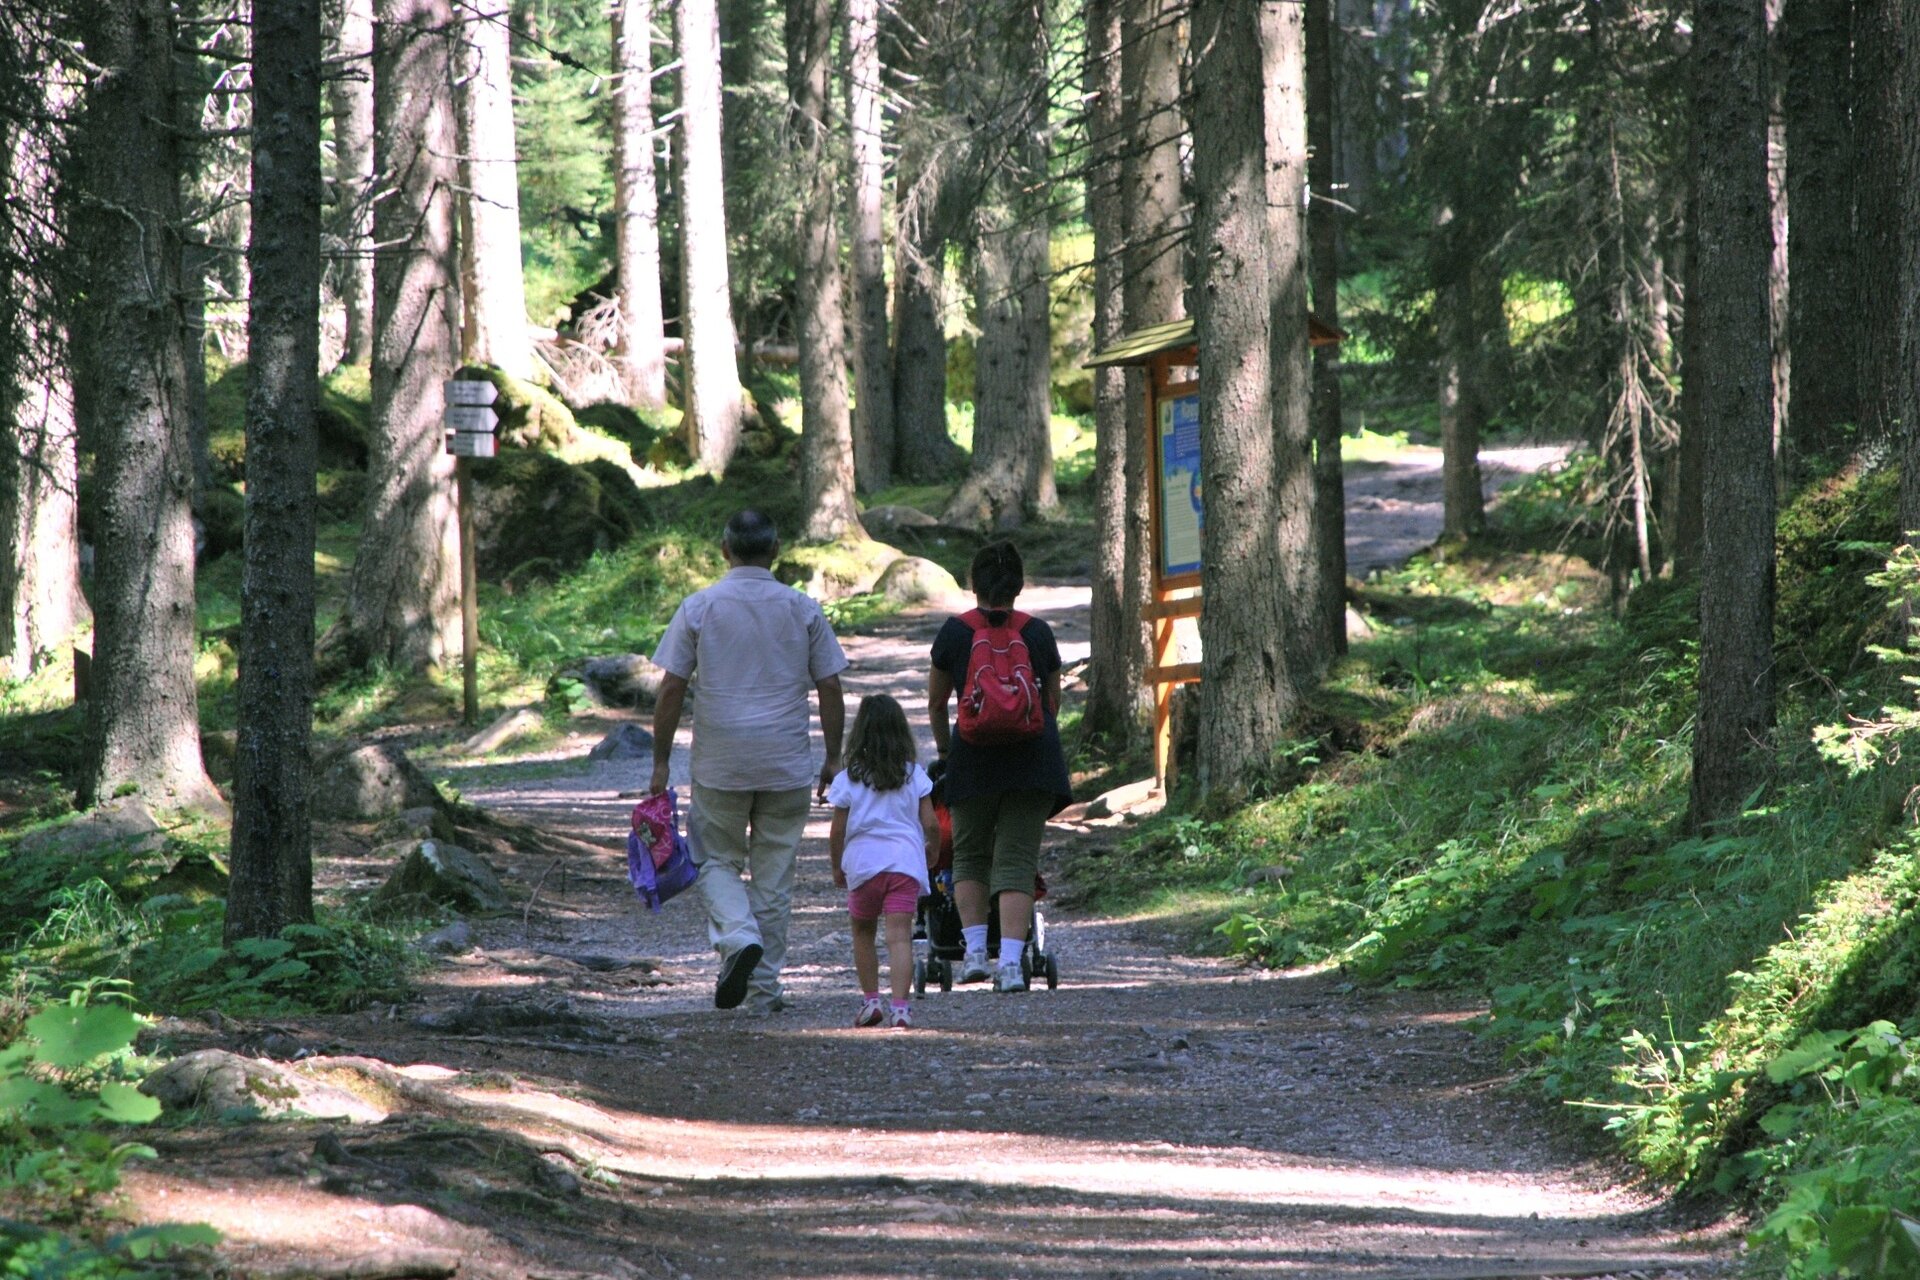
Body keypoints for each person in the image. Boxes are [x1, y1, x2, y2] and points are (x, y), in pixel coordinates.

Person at [650, 510, 847, 1012]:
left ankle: (737, 938)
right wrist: (833, 757)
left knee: (714, 858)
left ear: (724, 549)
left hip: (722, 762)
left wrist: (660, 763)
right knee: (774, 874)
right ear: (776, 549)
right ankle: (763, 990)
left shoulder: (699, 607)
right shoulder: (802, 608)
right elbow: (829, 685)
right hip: (785, 762)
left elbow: (672, 686)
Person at [926, 542, 1072, 994]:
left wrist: (948, 754)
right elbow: (1051, 702)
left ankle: (973, 955)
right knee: (1016, 861)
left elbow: (935, 703)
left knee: (969, 856)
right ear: (1018, 586)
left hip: (973, 760)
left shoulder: (955, 632)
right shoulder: (1038, 633)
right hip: (1033, 762)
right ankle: (1010, 965)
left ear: (975, 584)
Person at [827, 694, 938, 1030]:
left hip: (863, 865)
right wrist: (931, 849)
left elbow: (838, 829)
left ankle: (871, 1001)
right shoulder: (913, 775)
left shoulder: (849, 778)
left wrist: (837, 865)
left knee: (863, 932)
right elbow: (931, 823)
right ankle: (901, 1009)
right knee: (899, 936)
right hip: (904, 862)